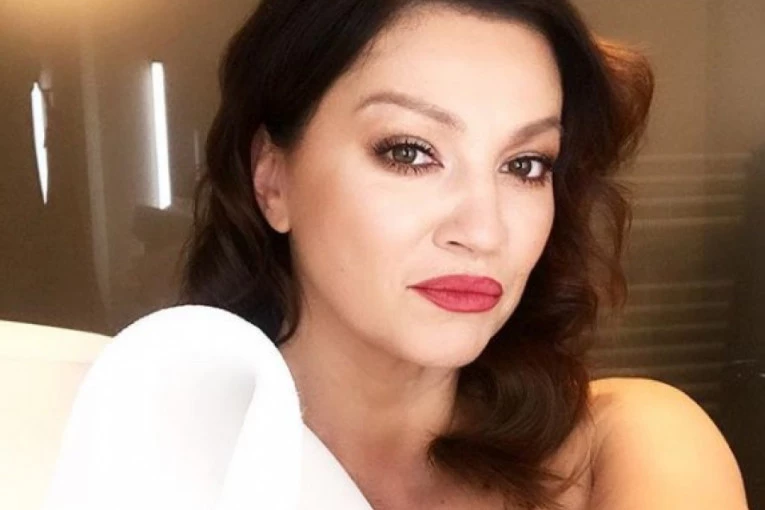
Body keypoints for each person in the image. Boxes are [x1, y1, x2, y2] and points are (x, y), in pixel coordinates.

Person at [181, 0, 748, 508]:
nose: (484, 232)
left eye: (525, 164)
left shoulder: (627, 447)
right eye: (410, 152)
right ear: (272, 179)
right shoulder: (160, 454)